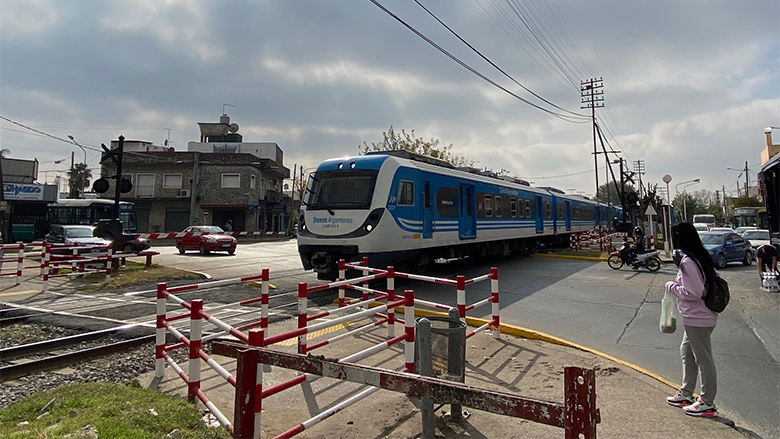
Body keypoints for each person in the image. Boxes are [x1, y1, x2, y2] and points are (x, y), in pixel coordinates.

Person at [664, 222, 719, 417]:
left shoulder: (688, 261)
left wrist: (671, 286)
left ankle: (707, 402)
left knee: (703, 359)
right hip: (698, 316)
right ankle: (686, 393)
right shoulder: (698, 256)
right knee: (687, 352)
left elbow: (693, 292)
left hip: (697, 317)